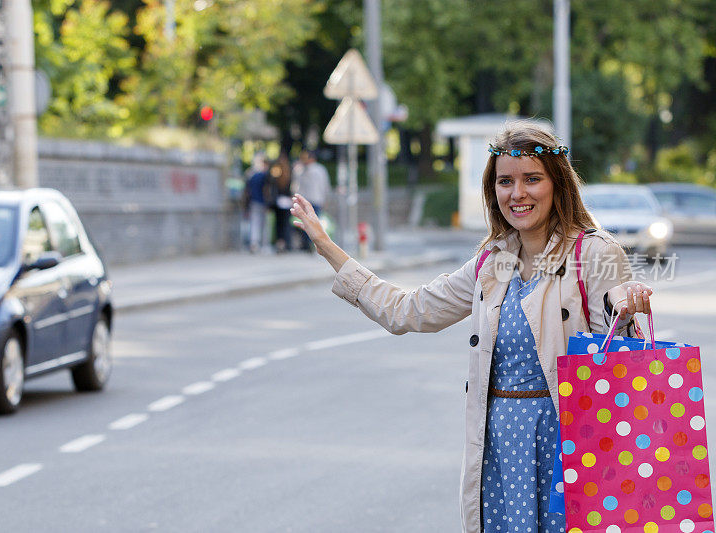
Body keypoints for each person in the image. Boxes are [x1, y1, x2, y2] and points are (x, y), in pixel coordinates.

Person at [290, 122, 653, 533]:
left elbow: (617, 314)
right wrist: (329, 249)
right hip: (498, 448)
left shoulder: (595, 251)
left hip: (568, 446)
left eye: (532, 179)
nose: (517, 193)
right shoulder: (490, 263)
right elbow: (408, 311)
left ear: (557, 184)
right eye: (505, 182)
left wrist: (624, 305)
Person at [292, 149, 331, 251]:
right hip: (307, 200)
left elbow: (324, 186)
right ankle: (307, 244)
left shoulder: (318, 169)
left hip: (315, 199)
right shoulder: (300, 169)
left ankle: (312, 244)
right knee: (306, 223)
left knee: (313, 223)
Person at [245, 154, 271, 253]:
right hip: (263, 202)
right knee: (264, 224)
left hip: (254, 202)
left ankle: (254, 243)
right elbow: (267, 190)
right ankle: (264, 245)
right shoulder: (265, 175)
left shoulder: (251, 175)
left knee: (255, 223)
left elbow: (247, 190)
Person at [270, 154, 293, 253]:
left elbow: (271, 185)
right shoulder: (289, 173)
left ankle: (279, 243)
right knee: (286, 224)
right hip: (287, 201)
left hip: (278, 201)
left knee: (278, 224)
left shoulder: (276, 172)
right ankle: (285, 243)